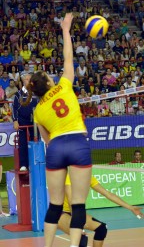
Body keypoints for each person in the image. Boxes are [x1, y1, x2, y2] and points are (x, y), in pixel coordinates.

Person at [21, 13, 92, 247]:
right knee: (78, 205)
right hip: (78, 144)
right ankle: (74, 245)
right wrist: (65, 30)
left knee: (54, 205)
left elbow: (46, 140)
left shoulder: (37, 110)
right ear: (50, 82)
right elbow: (68, 56)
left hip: (56, 147)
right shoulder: (63, 85)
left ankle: (48, 245)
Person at [58, 174, 144, 247]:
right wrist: (77, 225)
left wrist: (130, 207)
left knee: (102, 229)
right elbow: (71, 201)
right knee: (80, 236)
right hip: (60, 213)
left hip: (77, 211)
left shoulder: (89, 178)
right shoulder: (69, 178)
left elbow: (108, 194)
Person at [12, 74, 38, 171]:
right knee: (23, 143)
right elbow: (14, 109)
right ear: (24, 81)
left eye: (31, 80)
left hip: (34, 123)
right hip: (22, 122)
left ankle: (34, 162)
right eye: (27, 80)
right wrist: (15, 121)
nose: (30, 81)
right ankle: (23, 164)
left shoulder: (36, 93)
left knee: (35, 142)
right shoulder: (18, 94)